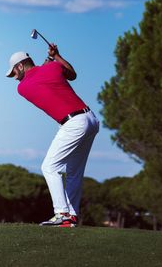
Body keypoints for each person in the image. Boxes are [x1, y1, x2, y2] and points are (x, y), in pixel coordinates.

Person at [6, 43, 99, 228]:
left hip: (73, 124)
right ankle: (71, 217)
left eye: (14, 73)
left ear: (20, 66)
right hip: (91, 119)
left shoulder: (23, 87)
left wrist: (49, 60)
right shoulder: (53, 67)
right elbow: (72, 74)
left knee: (49, 166)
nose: (14, 78)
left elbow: (38, 78)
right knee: (73, 171)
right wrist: (56, 56)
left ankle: (62, 213)